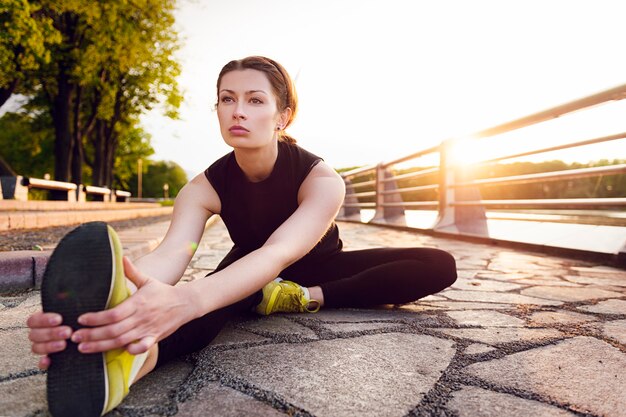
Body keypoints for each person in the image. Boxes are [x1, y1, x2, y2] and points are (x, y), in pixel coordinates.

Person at [27, 56, 457, 416]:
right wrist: (122, 294)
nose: (238, 111)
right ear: (216, 109)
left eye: (255, 100)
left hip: (318, 266)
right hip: (249, 267)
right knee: (213, 297)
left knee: (439, 264)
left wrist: (205, 297)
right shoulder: (203, 188)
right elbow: (176, 250)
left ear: (282, 115)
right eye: (227, 99)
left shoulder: (321, 178)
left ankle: (305, 296)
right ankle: (132, 359)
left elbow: (279, 252)